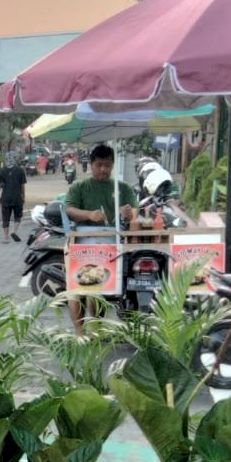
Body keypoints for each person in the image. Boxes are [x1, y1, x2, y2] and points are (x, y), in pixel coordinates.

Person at [63, 143, 138, 334]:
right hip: (82, 241)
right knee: (76, 287)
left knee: (100, 287)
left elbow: (134, 212)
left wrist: (128, 213)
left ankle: (96, 326)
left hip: (110, 242)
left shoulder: (122, 188)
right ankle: (79, 331)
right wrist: (88, 215)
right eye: (99, 165)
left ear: (112, 165)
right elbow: (69, 210)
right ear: (91, 164)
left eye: (107, 165)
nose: (103, 169)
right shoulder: (80, 187)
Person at [0, 155, 27, 243]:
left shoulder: (2, 171)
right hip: (17, 197)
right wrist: (23, 196)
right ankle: (15, 231)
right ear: (15, 159)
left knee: (5, 218)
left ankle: (6, 238)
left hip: (5, 198)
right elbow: (22, 186)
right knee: (18, 215)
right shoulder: (20, 170)